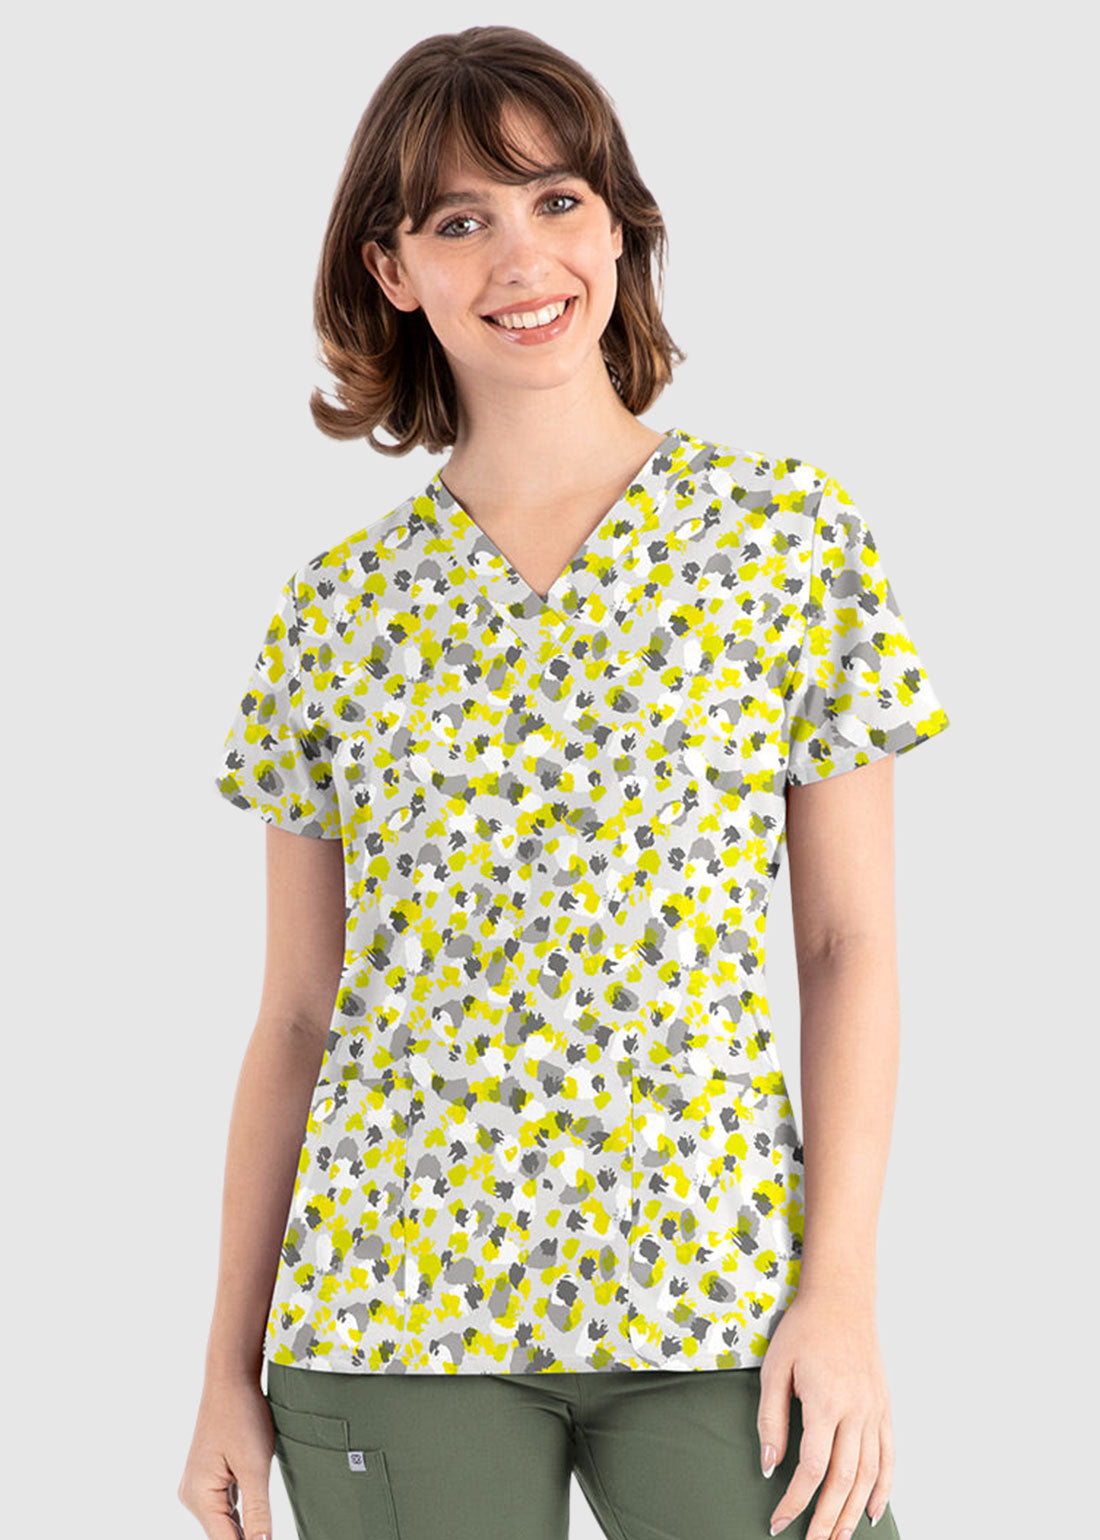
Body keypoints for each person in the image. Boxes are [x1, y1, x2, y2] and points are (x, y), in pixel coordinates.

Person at [179, 25, 950, 1540]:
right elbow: (297, 1015)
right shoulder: (337, 609)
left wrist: (845, 1292)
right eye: (459, 221)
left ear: (618, 225)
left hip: (725, 1296)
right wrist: (222, 1366)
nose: (521, 258)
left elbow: (847, 944)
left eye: (555, 200)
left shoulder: (785, 538)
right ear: (394, 270)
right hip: (391, 1309)